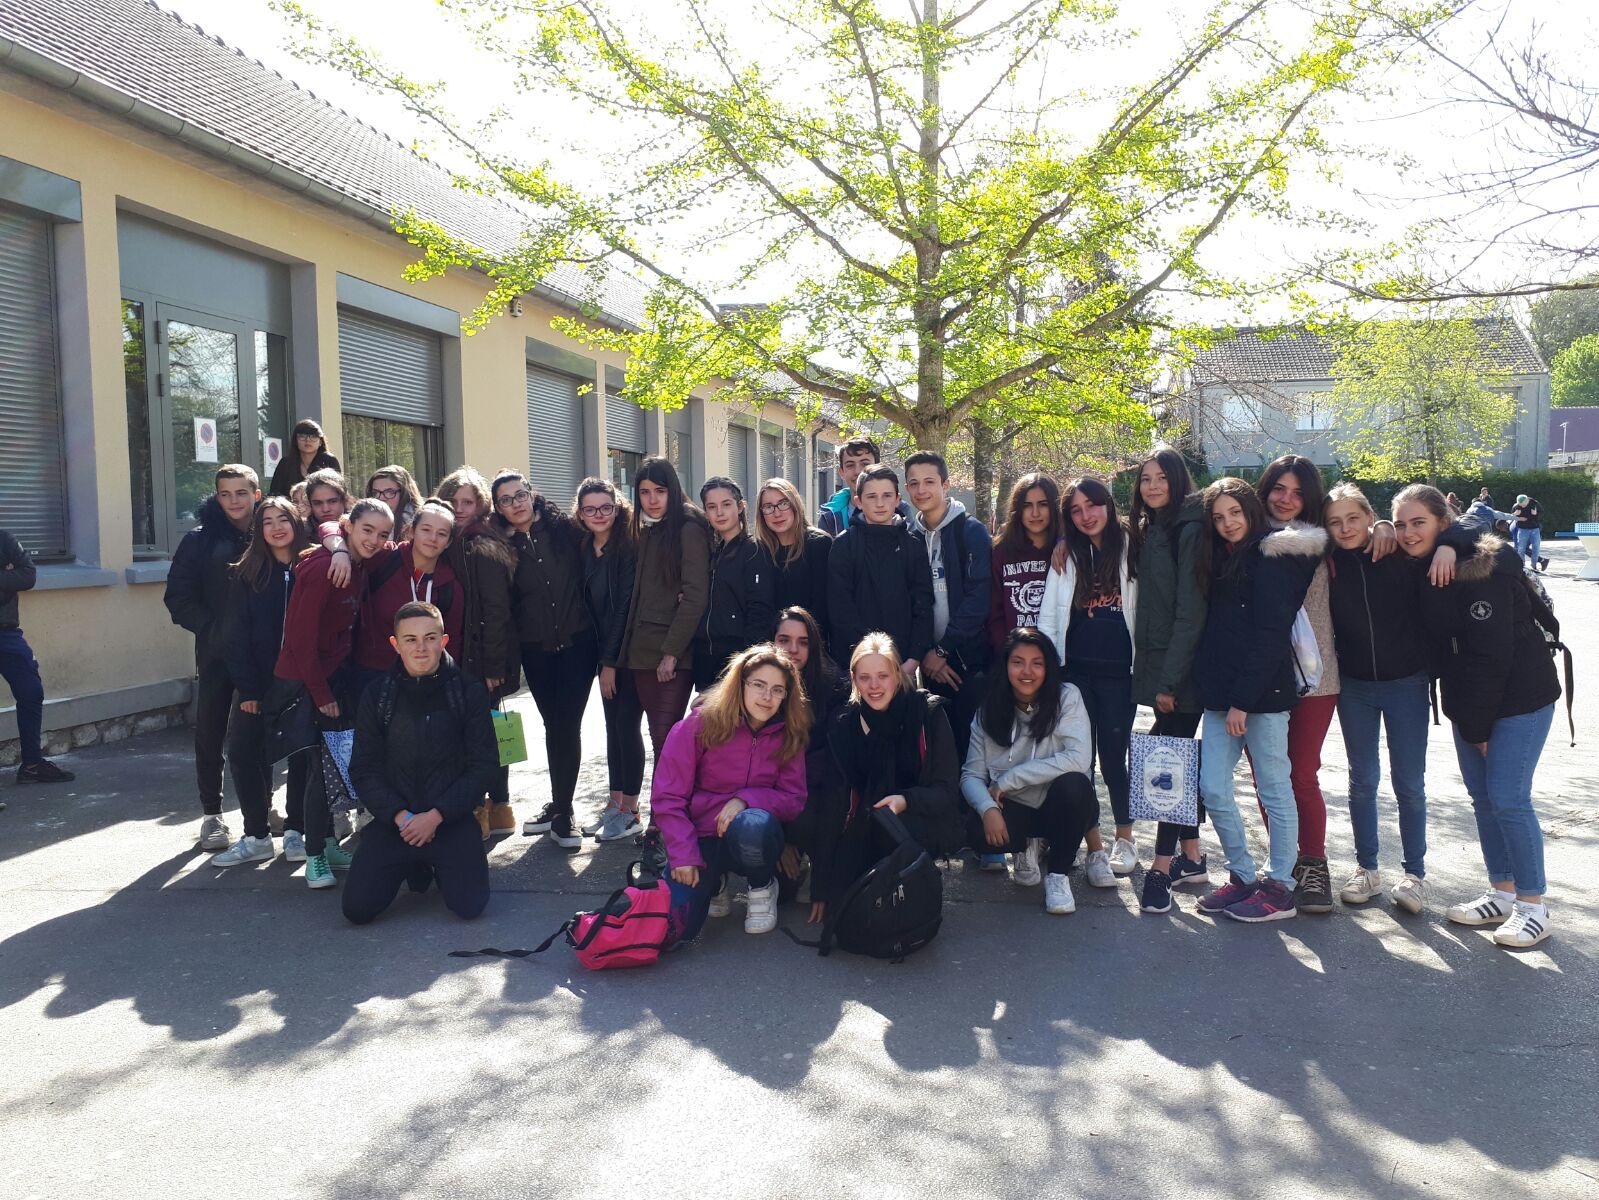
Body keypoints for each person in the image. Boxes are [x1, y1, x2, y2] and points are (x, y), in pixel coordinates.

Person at [1395, 484, 1561, 949]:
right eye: (1402, 524)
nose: (1409, 533)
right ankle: (1503, 894)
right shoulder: (1426, 567)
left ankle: (1533, 907)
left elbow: (1491, 657)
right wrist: (1390, 530)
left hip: (1520, 697)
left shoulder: (1481, 568)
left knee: (1509, 798)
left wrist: (1478, 727)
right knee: (1484, 799)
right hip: (1472, 700)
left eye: (1419, 523)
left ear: (1444, 524)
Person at [1191, 478, 1326, 924]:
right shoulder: (1221, 557)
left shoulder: (1272, 555)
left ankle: (1280, 886)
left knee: (1274, 790)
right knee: (1212, 787)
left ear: (1251, 510)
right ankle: (1243, 876)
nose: (1228, 523)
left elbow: (1271, 636)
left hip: (1261, 698)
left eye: (1235, 512)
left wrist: (1243, 702)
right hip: (1221, 697)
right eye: (1218, 517)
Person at [343, 601, 496, 925]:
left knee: (470, 906)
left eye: (430, 638)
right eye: (410, 639)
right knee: (357, 909)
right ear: (395, 644)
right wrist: (401, 816)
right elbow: (364, 768)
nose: (421, 648)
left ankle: (436, 866)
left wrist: (436, 816)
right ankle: (413, 865)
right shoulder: (377, 695)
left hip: (449, 819)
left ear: (444, 641)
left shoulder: (467, 692)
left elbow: (483, 766)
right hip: (396, 821)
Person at [274, 498, 395, 889]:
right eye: (367, 530)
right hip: (309, 683)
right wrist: (321, 693)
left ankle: (327, 844)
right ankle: (313, 858)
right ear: (350, 526)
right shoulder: (324, 567)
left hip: (337, 679)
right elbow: (299, 641)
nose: (374, 540)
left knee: (334, 765)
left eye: (383, 534)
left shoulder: (355, 561)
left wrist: (341, 545)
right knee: (316, 770)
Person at [1323, 484, 1431, 913]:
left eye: (1354, 518)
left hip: (1406, 683)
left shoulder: (1399, 552)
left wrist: (1389, 525)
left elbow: (1457, 534)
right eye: (1335, 521)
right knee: (1363, 780)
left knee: (1410, 783)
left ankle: (1415, 875)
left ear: (1370, 517)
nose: (1345, 527)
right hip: (1355, 686)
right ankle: (1367, 869)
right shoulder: (1327, 561)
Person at [654, 644, 810, 939]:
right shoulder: (699, 725)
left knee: (752, 825)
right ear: (740, 684)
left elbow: (794, 799)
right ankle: (715, 884)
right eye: (759, 685)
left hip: (752, 833)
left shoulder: (789, 734)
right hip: (701, 834)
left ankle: (761, 885)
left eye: (777, 690)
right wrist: (683, 854)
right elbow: (668, 797)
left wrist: (745, 800)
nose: (767, 697)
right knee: (677, 930)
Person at [813, 634, 962, 924]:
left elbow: (946, 791)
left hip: (921, 818)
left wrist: (905, 800)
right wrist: (821, 884)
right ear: (854, 679)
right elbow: (834, 801)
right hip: (867, 823)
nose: (874, 686)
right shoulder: (845, 724)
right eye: (865, 677)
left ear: (897, 674)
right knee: (844, 914)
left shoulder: (927, 713)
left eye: (883, 676)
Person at [1252, 455, 1341, 912]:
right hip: (1258, 675)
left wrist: (1385, 527)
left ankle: (1313, 865)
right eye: (1279, 489)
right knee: (1267, 777)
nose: (1286, 499)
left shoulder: (1328, 540)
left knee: (1301, 773)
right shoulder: (1243, 536)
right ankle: (1281, 866)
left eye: (1298, 492)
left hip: (1315, 676)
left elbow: (1370, 526)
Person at [1039, 477, 1137, 888]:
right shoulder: (1067, 554)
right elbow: (1049, 615)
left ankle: (1125, 838)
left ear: (1108, 505)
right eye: (1076, 511)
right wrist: (1050, 669)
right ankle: (1092, 844)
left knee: (1115, 758)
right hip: (1076, 673)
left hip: (1120, 674)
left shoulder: (1132, 546)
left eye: (1092, 505)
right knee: (1081, 761)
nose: (1086, 516)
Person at [962, 628, 1101, 914]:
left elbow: (1079, 759)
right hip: (1017, 807)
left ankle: (1058, 875)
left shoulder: (1067, 697)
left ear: (1048, 667)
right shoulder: (988, 710)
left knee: (1076, 786)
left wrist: (1009, 779)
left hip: (1059, 805)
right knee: (975, 826)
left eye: (1037, 663)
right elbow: (971, 775)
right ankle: (1025, 846)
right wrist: (988, 809)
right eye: (1018, 662)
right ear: (1005, 666)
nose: (1027, 672)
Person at [1125, 448, 1210, 914]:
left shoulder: (1188, 529)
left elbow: (1189, 612)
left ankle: (1160, 870)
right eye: (1146, 479)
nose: (1153, 486)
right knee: (1173, 759)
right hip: (1164, 666)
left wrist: (1170, 682)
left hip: (1183, 672)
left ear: (1178, 481)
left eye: (1162, 478)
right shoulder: (1154, 528)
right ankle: (1191, 858)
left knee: (1166, 766)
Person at [492, 470, 594, 849]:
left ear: (532, 494)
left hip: (578, 646)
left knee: (566, 725)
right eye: (506, 499)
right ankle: (559, 803)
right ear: (498, 507)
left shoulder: (566, 531)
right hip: (535, 651)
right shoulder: (499, 545)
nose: (515, 503)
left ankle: (564, 814)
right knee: (554, 726)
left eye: (520, 494)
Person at [212, 497, 313, 866]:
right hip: (257, 682)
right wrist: (248, 688)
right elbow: (234, 634)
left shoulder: (313, 564)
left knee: (302, 755)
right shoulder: (246, 573)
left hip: (302, 682)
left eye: (282, 519)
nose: (276, 527)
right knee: (243, 753)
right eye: (267, 521)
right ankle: (256, 835)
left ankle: (297, 832)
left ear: (296, 522)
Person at [163, 464, 259, 850]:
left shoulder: (270, 533)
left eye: (241, 492)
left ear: (256, 494)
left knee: (259, 733)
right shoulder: (198, 541)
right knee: (210, 731)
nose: (233, 501)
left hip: (261, 654)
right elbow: (178, 598)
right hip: (217, 653)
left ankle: (261, 808)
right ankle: (212, 816)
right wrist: (215, 631)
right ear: (217, 497)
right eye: (225, 494)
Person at [436, 467, 520, 836]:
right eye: (452, 501)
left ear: (481, 505)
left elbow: (496, 611)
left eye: (467, 502)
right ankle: (499, 807)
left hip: (481, 661)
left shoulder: (481, 544)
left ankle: (484, 809)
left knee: (481, 738)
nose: (459, 508)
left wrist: (492, 666)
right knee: (488, 732)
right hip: (460, 656)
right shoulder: (448, 539)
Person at [618, 457, 711, 765]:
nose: (653, 500)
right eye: (645, 492)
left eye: (660, 491)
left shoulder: (688, 527)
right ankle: (665, 797)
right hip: (641, 652)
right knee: (659, 739)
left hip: (673, 655)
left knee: (665, 737)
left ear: (672, 489)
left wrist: (672, 653)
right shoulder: (643, 528)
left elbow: (695, 595)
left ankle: (669, 798)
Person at [905, 451, 993, 764]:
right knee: (942, 747)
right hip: (930, 663)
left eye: (929, 482)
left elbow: (978, 598)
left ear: (945, 485)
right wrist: (928, 654)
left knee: (974, 748)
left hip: (969, 659)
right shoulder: (910, 536)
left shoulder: (970, 531)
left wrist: (943, 650)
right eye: (913, 483)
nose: (921, 490)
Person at [575, 478, 645, 842]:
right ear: (580, 513)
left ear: (617, 508)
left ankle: (631, 811)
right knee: (612, 728)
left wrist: (611, 663)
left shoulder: (628, 547)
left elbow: (624, 610)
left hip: (628, 653)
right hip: (603, 652)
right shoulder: (585, 547)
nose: (599, 514)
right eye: (590, 509)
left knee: (627, 727)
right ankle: (614, 804)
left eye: (606, 507)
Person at [771, 606, 851, 902]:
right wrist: (778, 839)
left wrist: (790, 832)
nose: (793, 649)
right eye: (784, 640)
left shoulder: (834, 687)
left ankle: (816, 859)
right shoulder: (755, 685)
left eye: (803, 642)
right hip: (765, 793)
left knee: (805, 817)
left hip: (815, 792)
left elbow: (832, 762)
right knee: (783, 890)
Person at [827, 465, 935, 672]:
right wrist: (864, 661)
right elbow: (840, 609)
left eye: (887, 496)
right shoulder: (844, 545)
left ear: (897, 499)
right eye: (871, 496)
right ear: (858, 501)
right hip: (857, 663)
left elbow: (923, 604)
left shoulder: (912, 546)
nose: (879, 504)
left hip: (903, 663)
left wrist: (913, 658)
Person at [0, 529, 73, 784]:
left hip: (6, 633)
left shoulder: (4, 539)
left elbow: (28, 575)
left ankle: (32, 765)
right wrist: (7, 577)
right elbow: (16, 577)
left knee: (31, 691)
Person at [693, 477, 778, 690]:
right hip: (704, 656)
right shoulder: (712, 551)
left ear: (740, 507)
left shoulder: (754, 550)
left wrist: (748, 661)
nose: (719, 512)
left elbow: (759, 609)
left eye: (726, 504)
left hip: (735, 657)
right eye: (712, 507)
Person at [986, 472, 1059, 649]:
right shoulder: (1000, 552)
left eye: (1043, 504)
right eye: (1027, 505)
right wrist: (1008, 652)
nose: (1035, 513)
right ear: (1017, 509)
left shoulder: (1066, 551)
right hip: (1013, 655)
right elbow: (993, 613)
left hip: (1057, 654)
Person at [755, 478, 832, 639]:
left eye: (783, 503)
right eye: (768, 507)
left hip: (811, 641)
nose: (777, 513)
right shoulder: (759, 551)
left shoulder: (819, 544)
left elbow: (822, 605)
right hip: (772, 644)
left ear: (795, 504)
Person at [816, 438, 912, 536]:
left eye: (865, 464)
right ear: (841, 472)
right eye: (850, 465)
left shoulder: (901, 509)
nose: (858, 471)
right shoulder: (829, 515)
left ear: (878, 467)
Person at [268, 418, 340, 497]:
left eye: (313, 436)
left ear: (320, 442)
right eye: (302, 436)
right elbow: (274, 494)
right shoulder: (285, 463)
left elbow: (339, 492)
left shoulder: (329, 460)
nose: (307, 440)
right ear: (296, 441)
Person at [367, 465, 425, 542]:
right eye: (376, 492)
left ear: (405, 494)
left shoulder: (420, 523)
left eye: (390, 492)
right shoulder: (364, 518)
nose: (381, 498)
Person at [1511, 493, 1547, 572]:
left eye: (1523, 504)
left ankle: (1533, 566)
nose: (1522, 506)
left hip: (1534, 529)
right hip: (1522, 529)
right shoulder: (1516, 506)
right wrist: (1515, 515)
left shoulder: (1535, 504)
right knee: (1521, 548)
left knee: (1536, 548)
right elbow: (1511, 516)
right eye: (1520, 505)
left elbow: (1542, 514)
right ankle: (1521, 566)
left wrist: (1536, 514)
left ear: (1527, 501)